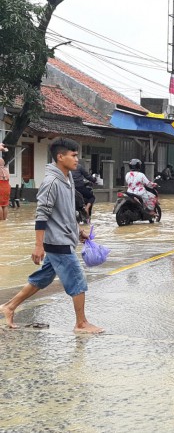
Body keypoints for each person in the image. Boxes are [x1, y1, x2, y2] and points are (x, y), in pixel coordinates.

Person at [0, 137, 104, 334]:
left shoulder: (68, 178)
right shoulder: (51, 182)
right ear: (60, 156)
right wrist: (38, 245)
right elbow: (42, 214)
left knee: (43, 277)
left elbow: (66, 211)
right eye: (73, 156)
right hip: (57, 241)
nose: (77, 160)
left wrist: (77, 231)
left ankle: (9, 307)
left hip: (64, 237)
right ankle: (81, 323)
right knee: (77, 278)